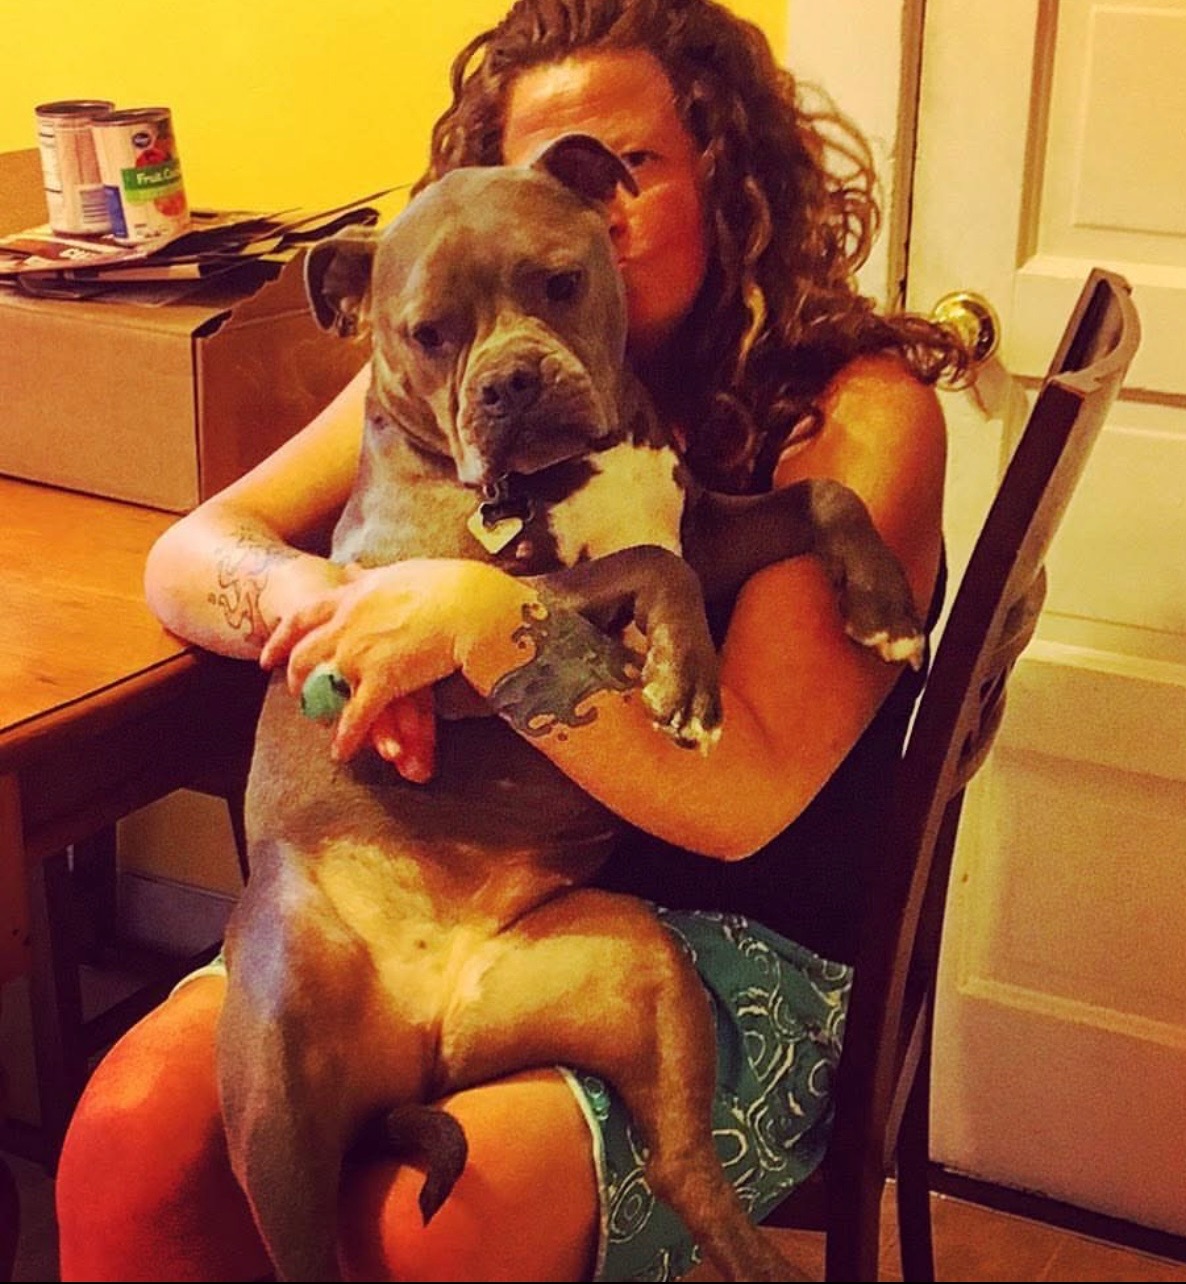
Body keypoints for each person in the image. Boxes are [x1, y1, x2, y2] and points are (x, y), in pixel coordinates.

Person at [55, 1, 964, 1279]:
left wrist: (480, 621)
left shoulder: (856, 417)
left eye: (628, 166)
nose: (597, 216)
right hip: (401, 893)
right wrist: (342, 612)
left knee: (424, 1234)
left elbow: (740, 803)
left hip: (731, 932)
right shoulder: (455, 351)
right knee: (130, 1140)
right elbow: (192, 554)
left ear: (727, 167)